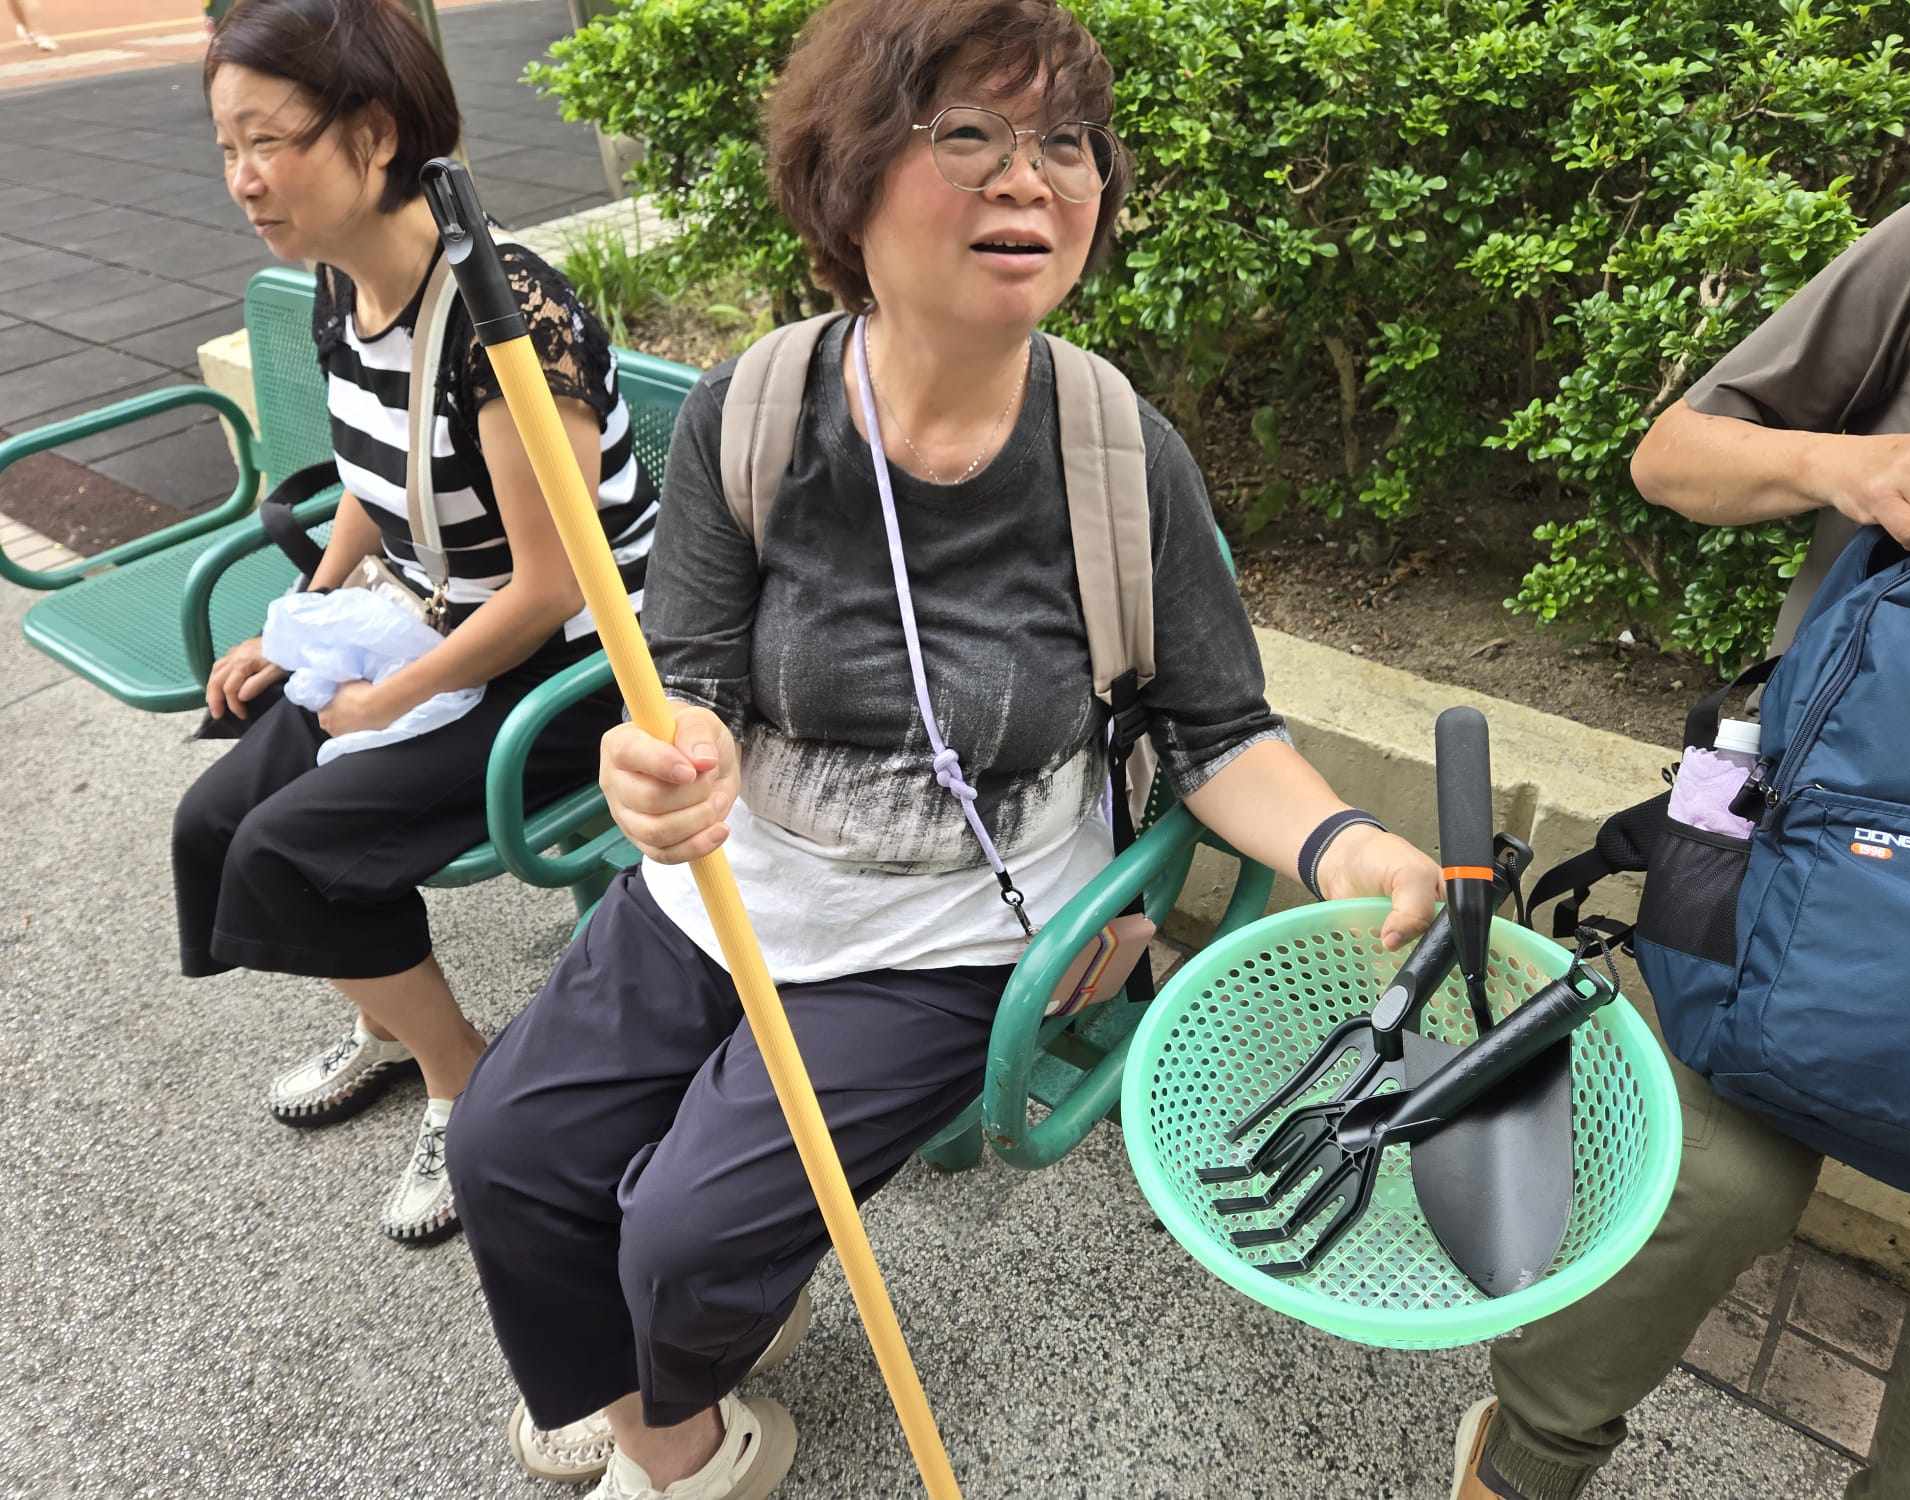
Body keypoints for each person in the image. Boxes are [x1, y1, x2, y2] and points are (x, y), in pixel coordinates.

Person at [445, 1, 1445, 1496]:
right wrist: (671, 760)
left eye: (1064, 144)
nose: (1029, 181)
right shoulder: (758, 405)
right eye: (966, 135)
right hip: (736, 876)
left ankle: (684, 1431)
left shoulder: (1120, 451)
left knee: (686, 1236)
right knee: (508, 1152)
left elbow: (1219, 728)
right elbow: (697, 672)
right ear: (847, 182)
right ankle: (659, 1361)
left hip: (950, 929)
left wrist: (1342, 843)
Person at [1451, 162, 1910, 1500]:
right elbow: (1670, 454)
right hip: (1794, 838)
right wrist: (1852, 465)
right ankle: (1524, 1461)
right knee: (1708, 1188)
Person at [173, 0, 658, 1247]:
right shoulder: (345, 289)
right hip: (436, 631)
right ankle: (394, 1023)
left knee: (289, 850)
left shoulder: (504, 326)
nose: (244, 179)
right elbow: (373, 492)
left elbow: (557, 586)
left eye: (266, 141)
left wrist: (376, 703)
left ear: (373, 134)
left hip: (574, 670)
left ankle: (462, 1075)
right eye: (227, 147)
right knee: (217, 820)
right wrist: (306, 617)